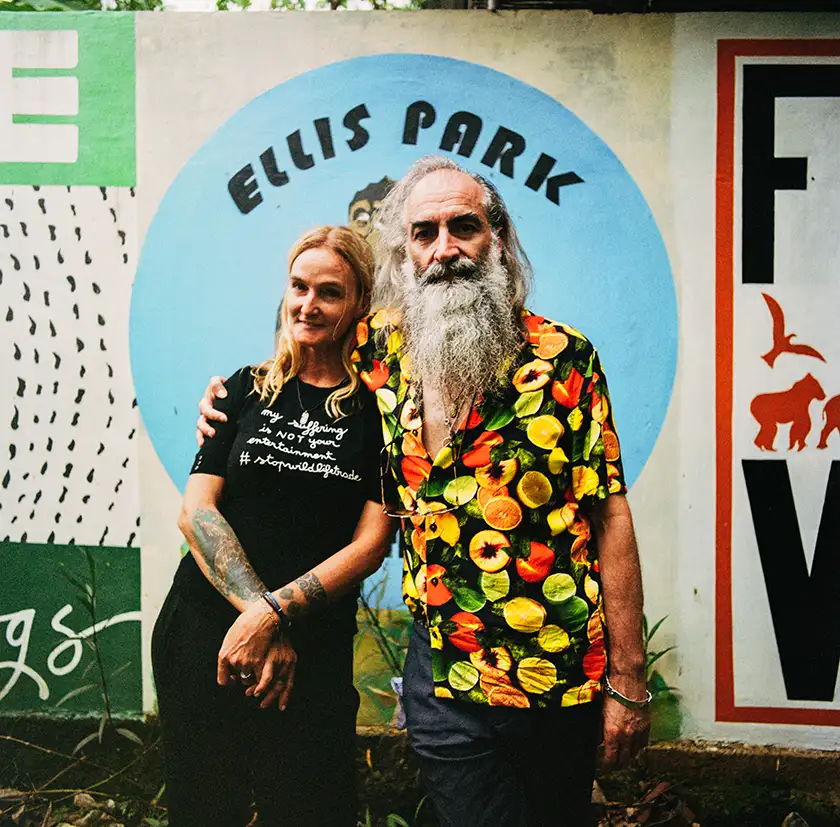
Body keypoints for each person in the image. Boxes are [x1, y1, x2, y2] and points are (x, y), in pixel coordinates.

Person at [198, 157, 650, 827]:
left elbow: (609, 514)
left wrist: (630, 678)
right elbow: (305, 343)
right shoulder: (381, 347)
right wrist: (228, 399)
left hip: (558, 671)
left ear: (497, 237)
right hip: (443, 672)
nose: (445, 249)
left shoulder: (566, 357)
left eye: (463, 227)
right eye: (425, 232)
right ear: (405, 252)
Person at [153, 225, 394, 827]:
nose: (307, 306)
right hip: (204, 635)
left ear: (360, 304)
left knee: (312, 806)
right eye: (297, 286)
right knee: (204, 806)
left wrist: (275, 615)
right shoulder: (243, 389)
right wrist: (259, 616)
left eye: (329, 293)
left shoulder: (382, 414)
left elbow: (371, 543)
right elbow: (197, 511)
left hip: (312, 648)